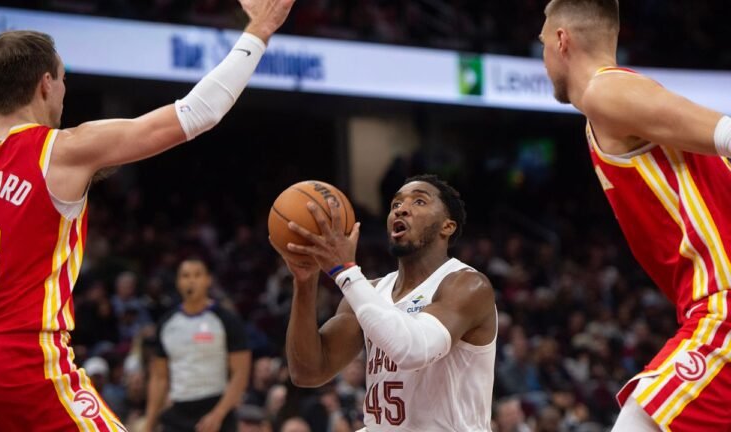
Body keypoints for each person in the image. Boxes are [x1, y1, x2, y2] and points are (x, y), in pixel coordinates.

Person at [0, 0, 294, 430]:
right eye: (64, 79)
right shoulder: (63, 149)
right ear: (46, 84)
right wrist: (261, 30)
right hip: (21, 359)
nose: (64, 90)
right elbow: (197, 112)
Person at [539, 1, 731, 430]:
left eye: (543, 45)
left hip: (723, 306)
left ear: (561, 41)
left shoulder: (606, 92)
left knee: (639, 421)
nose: (544, 59)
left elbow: (726, 132)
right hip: (702, 305)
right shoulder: (620, 106)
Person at [277, 174, 497, 431]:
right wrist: (305, 283)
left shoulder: (467, 285)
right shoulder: (370, 291)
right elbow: (308, 372)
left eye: (419, 202)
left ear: (447, 227)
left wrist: (346, 271)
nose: (402, 209)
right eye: (395, 205)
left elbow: (414, 351)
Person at [144, 258, 251, 432]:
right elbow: (159, 378)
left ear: (208, 280)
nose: (191, 280)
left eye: (197, 275)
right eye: (185, 276)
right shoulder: (166, 324)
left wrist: (218, 414)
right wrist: (149, 424)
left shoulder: (226, 320)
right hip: (178, 411)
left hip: (216, 408)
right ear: (178, 282)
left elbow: (240, 374)